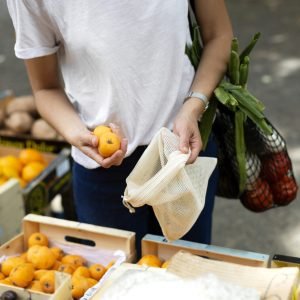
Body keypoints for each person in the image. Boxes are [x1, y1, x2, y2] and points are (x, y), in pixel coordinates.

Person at [7, 0, 233, 256]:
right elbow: (45, 89)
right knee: (112, 285)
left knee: (189, 277)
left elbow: (219, 36)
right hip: (103, 171)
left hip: (183, 152)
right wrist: (78, 134)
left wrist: (194, 104)